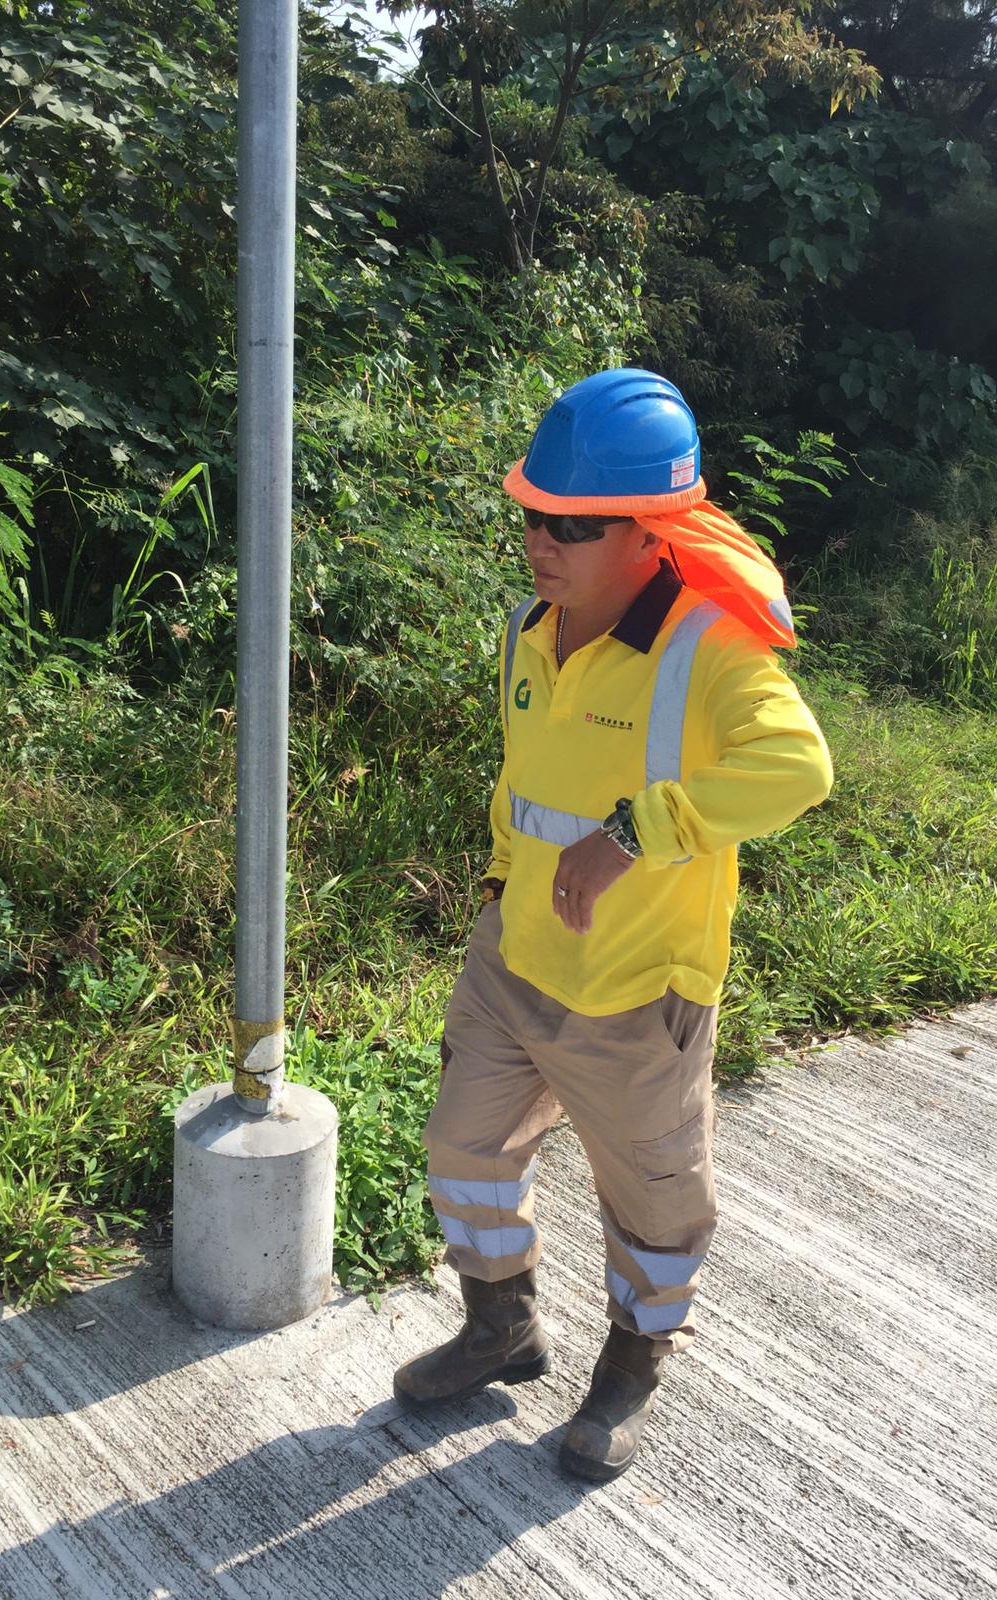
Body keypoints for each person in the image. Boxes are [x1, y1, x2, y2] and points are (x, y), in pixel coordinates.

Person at [392, 368, 834, 1483]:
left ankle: (630, 1370)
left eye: (577, 525)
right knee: (464, 1150)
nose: (544, 540)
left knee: (655, 1205)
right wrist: (499, 887)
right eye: (535, 513)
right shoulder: (527, 631)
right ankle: (502, 1327)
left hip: (638, 994)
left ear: (652, 532)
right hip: (514, 963)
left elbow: (800, 767)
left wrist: (640, 830)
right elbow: (523, 786)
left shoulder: (708, 648)